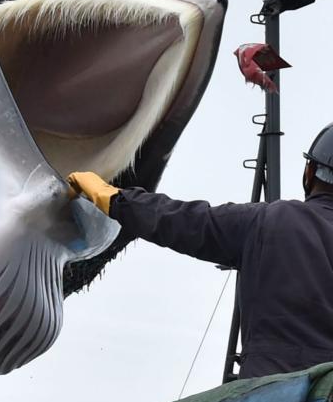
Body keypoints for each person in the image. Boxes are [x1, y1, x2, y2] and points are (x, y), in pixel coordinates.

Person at [67, 123, 333, 379]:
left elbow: (182, 221)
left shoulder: (268, 221)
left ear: (309, 171)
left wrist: (113, 198)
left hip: (271, 399)